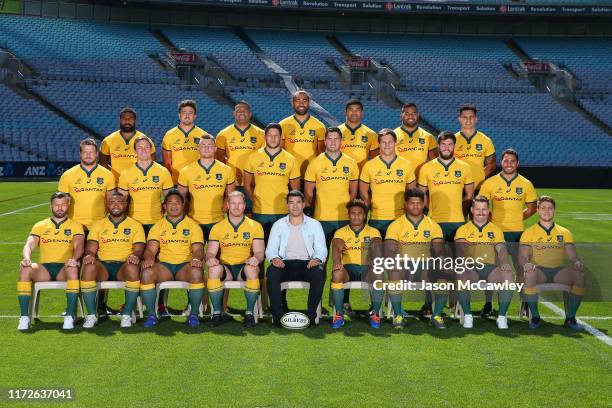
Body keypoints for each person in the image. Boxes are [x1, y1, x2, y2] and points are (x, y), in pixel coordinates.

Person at [479, 148, 537, 316]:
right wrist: (492, 222)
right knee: (492, 269)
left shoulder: (526, 183)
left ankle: (524, 303)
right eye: (506, 160)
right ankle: (488, 304)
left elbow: (532, 207)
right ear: (501, 162)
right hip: (496, 235)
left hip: (518, 234)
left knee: (520, 270)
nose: (509, 164)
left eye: (512, 161)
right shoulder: (489, 183)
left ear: (517, 163)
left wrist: (518, 219)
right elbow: (481, 207)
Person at [17, 192, 84, 330]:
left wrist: (74, 259)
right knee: (25, 269)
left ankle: (69, 316)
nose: (60, 208)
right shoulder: (40, 225)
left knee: (72, 268)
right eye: (56, 205)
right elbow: (29, 245)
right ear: (51, 206)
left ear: (68, 205)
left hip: (63, 269)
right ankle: (24, 318)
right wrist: (27, 259)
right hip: (44, 269)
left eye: (63, 205)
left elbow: (79, 246)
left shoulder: (76, 225)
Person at [139, 190, 205, 328]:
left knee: (197, 272)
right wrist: (149, 258)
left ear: (183, 205)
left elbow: (198, 249)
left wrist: (197, 258)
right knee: (146, 273)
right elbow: (151, 249)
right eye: (170, 203)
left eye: (177, 203)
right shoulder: (157, 227)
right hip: (165, 266)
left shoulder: (193, 226)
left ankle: (193, 315)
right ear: (164, 206)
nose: (174, 206)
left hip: (184, 266)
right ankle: (152, 315)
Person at [519, 196, 585, 331]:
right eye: (543, 208)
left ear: (554, 210)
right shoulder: (529, 232)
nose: (546, 211)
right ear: (537, 210)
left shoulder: (564, 232)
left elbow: (573, 255)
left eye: (550, 208)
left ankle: (570, 318)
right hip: (539, 271)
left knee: (580, 276)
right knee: (530, 274)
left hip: (558, 271)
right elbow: (523, 256)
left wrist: (576, 262)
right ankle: (536, 317)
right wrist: (526, 264)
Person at [80, 191, 145, 328]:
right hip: (103, 267)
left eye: (119, 202)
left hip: (124, 267)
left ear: (125, 204)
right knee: (89, 267)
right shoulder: (98, 225)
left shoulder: (135, 225)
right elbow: (91, 248)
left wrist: (136, 255)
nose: (115, 205)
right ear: (107, 205)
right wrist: (89, 255)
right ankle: (91, 315)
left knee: (133, 268)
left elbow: (139, 249)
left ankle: (126, 315)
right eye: (112, 202)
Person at [384, 189, 445, 329]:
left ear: (424, 203)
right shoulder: (395, 225)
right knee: (393, 270)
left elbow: (438, 250)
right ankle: (398, 315)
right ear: (406, 204)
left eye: (419, 203)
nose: (416, 206)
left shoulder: (433, 225)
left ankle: (436, 315)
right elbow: (389, 251)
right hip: (404, 268)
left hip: (425, 268)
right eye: (412, 203)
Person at [265, 190, 327, 326]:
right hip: (284, 264)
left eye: (298, 202)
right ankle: (278, 317)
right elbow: (270, 249)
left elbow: (321, 248)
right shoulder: (278, 225)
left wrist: (316, 259)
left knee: (319, 273)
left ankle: (310, 316)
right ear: (287, 205)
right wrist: (274, 258)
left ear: (304, 204)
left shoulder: (315, 224)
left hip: (307, 264)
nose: (295, 206)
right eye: (291, 202)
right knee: (271, 272)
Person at [205, 191, 265, 328]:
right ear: (227, 205)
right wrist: (210, 259)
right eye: (233, 203)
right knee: (214, 270)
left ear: (244, 205)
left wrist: (256, 258)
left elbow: (260, 251)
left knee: (252, 269)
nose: (236, 207)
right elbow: (210, 252)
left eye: (239, 203)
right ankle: (217, 314)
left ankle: (249, 313)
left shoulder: (255, 226)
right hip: (226, 268)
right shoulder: (217, 227)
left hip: (243, 267)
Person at [454, 196, 514, 329]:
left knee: (508, 274)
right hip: (471, 268)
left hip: (491, 269)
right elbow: (460, 250)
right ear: (472, 210)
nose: (481, 212)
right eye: (478, 209)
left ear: (488, 211)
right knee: (461, 272)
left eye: (484, 209)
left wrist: (504, 262)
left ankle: (502, 317)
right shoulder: (463, 229)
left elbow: (501, 249)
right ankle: (468, 316)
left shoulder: (495, 230)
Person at [330, 199, 382, 329]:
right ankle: (339, 314)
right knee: (336, 274)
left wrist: (376, 247)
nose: (356, 216)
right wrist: (337, 261)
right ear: (348, 215)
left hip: (367, 269)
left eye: (360, 213)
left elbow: (377, 244)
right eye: (353, 213)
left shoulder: (373, 232)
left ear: (365, 215)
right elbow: (336, 247)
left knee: (378, 274)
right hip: (349, 269)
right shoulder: (340, 232)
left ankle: (374, 313)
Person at [243, 123, 300, 240]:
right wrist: (256, 201)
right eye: (270, 135)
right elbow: (247, 185)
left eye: (276, 135)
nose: (273, 138)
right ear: (265, 137)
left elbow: (295, 190)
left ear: (281, 137)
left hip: (282, 211)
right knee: (259, 249)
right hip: (260, 211)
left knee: (281, 250)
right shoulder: (253, 157)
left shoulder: (291, 159)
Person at [359, 128, 416, 238]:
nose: (387, 145)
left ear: (395, 143)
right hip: (376, 219)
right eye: (383, 142)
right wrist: (371, 205)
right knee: (376, 254)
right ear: (379, 144)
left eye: (390, 142)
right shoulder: (369, 165)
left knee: (398, 254)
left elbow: (411, 192)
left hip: (400, 218)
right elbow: (363, 192)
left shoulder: (406, 165)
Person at [177, 134, 236, 241]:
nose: (206, 148)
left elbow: (230, 196)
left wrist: (222, 212)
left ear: (215, 149)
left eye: (210, 145)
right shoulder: (186, 171)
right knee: (196, 256)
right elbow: (181, 198)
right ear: (198, 149)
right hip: (194, 221)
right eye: (203, 145)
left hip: (218, 221)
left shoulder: (227, 170)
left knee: (217, 256)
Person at [215, 101, 264, 213]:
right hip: (232, 182)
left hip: (253, 182)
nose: (242, 113)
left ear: (250, 114)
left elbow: (263, 160)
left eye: (245, 111)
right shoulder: (223, 134)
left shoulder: (261, 134)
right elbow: (220, 160)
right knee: (232, 212)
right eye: (238, 111)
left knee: (252, 212)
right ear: (233, 114)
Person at [118, 136, 174, 233]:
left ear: (151, 149)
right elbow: (121, 203)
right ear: (135, 151)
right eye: (140, 148)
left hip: (157, 222)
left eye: (147, 147)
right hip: (134, 223)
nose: (143, 150)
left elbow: (170, 200)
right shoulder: (126, 174)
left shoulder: (163, 172)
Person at [58, 138, 115, 231]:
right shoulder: (67, 175)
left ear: (97, 154)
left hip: (99, 226)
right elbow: (61, 203)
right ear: (80, 153)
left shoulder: (108, 174)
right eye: (85, 152)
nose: (88, 155)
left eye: (91, 152)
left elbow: (111, 201)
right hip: (74, 226)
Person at [100, 107, 156, 182]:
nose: (127, 121)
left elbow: (152, 164)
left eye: (130, 118)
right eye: (124, 118)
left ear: (135, 120)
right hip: (116, 185)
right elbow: (103, 163)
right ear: (120, 120)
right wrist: (111, 178)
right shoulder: (108, 140)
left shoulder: (146, 141)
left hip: (139, 184)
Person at [279, 90, 326, 176]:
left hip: (311, 174)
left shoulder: (319, 126)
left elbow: (321, 153)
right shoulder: (283, 124)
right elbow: (280, 151)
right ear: (292, 103)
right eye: (298, 100)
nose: (301, 103)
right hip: (289, 173)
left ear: (309, 103)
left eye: (305, 100)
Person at [162, 100, 209, 184]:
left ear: (195, 116)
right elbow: (167, 162)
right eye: (184, 112)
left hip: (198, 180)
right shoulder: (169, 134)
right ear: (179, 115)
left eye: (190, 113)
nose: (187, 115)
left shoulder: (203, 135)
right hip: (177, 180)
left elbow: (208, 159)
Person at [454, 104, 495, 190]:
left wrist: (477, 181)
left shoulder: (486, 140)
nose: (468, 120)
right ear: (459, 119)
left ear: (476, 119)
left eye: (471, 117)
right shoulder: (452, 140)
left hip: (478, 188)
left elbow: (491, 166)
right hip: (457, 186)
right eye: (464, 117)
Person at [394, 102, 437, 176]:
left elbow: (435, 163)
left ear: (418, 115)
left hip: (421, 181)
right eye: (407, 113)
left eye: (414, 113)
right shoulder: (392, 136)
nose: (410, 116)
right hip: (399, 180)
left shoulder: (428, 137)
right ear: (401, 116)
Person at [338, 99, 379, 169]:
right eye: (351, 109)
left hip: (362, 175)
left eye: (357, 110)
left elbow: (375, 160)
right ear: (345, 112)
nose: (354, 112)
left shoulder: (371, 134)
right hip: (340, 175)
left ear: (362, 113)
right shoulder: (336, 132)